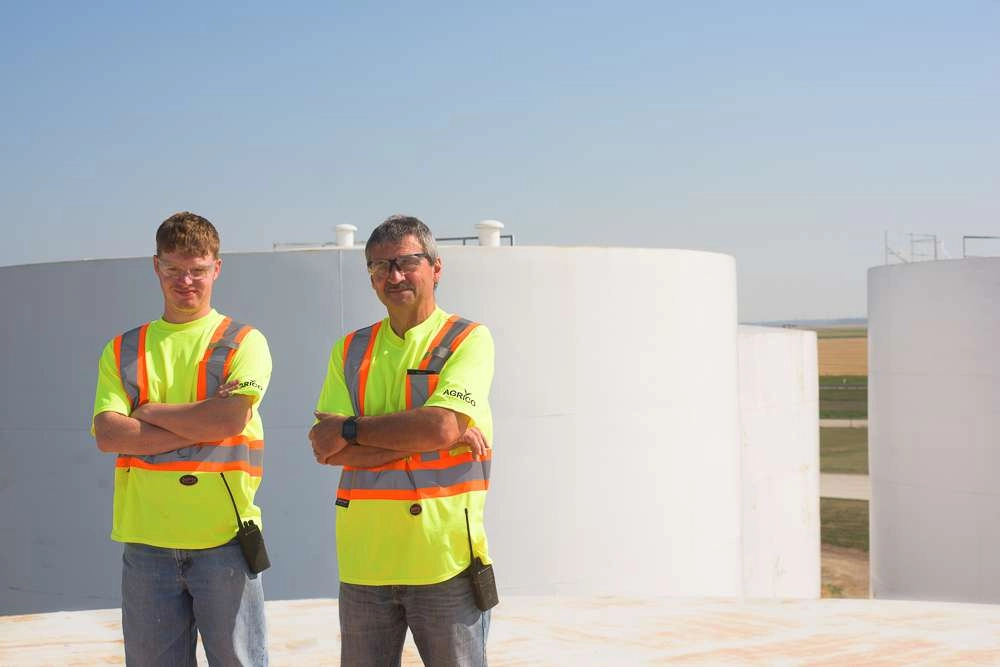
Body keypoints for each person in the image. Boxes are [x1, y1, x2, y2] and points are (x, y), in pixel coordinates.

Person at [310, 214, 496, 667]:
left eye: (406, 262)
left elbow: (438, 428)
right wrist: (429, 431)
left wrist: (354, 428)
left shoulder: (467, 339)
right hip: (364, 563)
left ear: (436, 267)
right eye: (379, 267)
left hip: (444, 560)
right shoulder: (350, 350)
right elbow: (324, 445)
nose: (393, 276)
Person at [92, 212, 272, 666]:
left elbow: (229, 419)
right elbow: (109, 433)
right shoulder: (123, 349)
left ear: (217, 268)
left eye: (197, 269)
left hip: (225, 540)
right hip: (147, 543)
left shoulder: (243, 342)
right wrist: (199, 419)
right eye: (173, 268)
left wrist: (148, 413)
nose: (185, 280)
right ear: (156, 267)